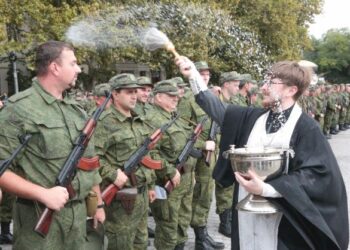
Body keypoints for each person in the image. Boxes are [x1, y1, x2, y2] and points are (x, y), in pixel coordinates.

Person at [176, 57, 349, 250]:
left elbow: (317, 176)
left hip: (284, 218)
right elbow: (218, 110)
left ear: (291, 90)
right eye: (265, 81)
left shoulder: (306, 128)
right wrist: (193, 75)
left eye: (271, 83)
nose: (263, 88)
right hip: (246, 211)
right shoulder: (253, 117)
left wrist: (266, 190)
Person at [0, 41, 105, 250]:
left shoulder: (77, 111)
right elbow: (2, 170)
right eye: (73, 63)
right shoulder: (18, 109)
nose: (78, 69)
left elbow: (89, 163)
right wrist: (43, 194)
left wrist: (98, 205)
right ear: (54, 68)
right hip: (38, 221)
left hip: (78, 221)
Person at [95, 73, 156, 250]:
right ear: (115, 94)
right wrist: (112, 174)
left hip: (142, 194)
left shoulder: (138, 120)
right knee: (121, 242)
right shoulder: (104, 122)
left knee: (141, 241)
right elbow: (92, 158)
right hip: (121, 198)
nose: (134, 96)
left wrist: (151, 185)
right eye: (129, 92)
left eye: (135, 91)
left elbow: (147, 156)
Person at [145, 79, 206, 250]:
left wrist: (191, 173)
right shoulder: (152, 119)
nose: (175, 99)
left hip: (184, 180)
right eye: (170, 96)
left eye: (176, 96)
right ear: (158, 97)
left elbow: (187, 145)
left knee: (182, 224)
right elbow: (149, 152)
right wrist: (170, 170)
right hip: (166, 182)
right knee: (167, 227)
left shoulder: (175, 117)